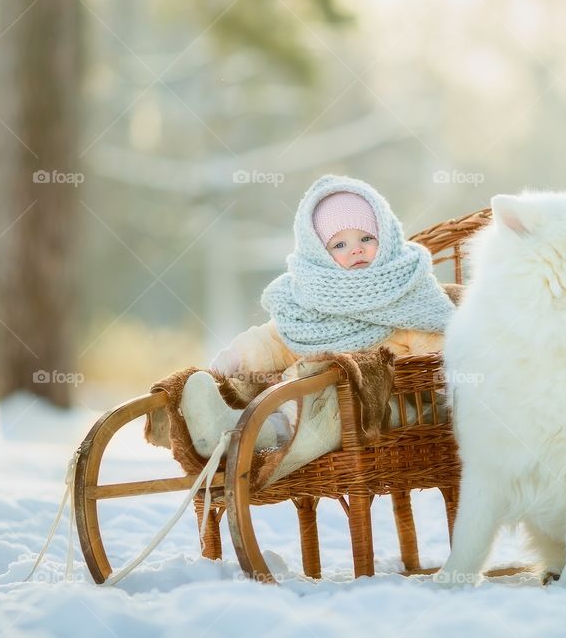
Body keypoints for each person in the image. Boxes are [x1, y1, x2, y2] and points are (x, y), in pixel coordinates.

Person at [181, 174, 456, 458]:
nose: (356, 249)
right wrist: (234, 356)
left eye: (367, 238)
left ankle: (243, 435)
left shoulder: (409, 294)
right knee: (285, 391)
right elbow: (276, 339)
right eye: (339, 245)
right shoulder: (311, 300)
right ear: (319, 255)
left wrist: (448, 383)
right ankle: (224, 426)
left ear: (386, 239)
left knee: (332, 398)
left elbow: (439, 350)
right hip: (304, 397)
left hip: (385, 407)